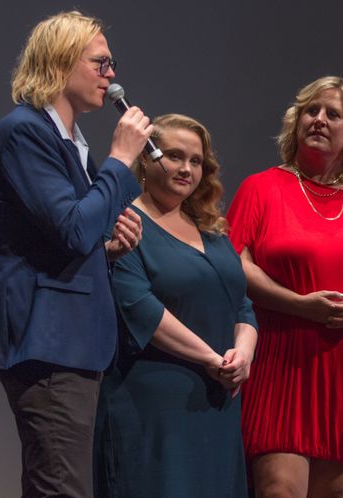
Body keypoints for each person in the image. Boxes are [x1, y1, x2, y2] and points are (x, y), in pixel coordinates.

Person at [0, 11, 151, 498]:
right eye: (100, 63)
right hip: (48, 341)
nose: (111, 75)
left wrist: (109, 249)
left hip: (73, 344)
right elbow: (74, 230)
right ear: (60, 63)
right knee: (62, 489)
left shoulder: (69, 141)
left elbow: (71, 239)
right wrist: (120, 160)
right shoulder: (24, 133)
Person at [226, 76, 343, 497]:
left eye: (333, 114)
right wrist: (299, 304)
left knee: (338, 493)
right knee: (279, 488)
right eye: (311, 111)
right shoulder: (262, 187)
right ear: (295, 122)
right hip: (285, 357)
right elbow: (236, 263)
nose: (320, 119)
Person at [93, 114, 258, 497]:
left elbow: (242, 305)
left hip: (217, 401)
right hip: (154, 404)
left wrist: (243, 355)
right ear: (146, 160)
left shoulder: (213, 231)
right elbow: (140, 308)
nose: (186, 168)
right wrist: (210, 359)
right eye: (173, 156)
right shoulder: (123, 222)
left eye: (196, 160)